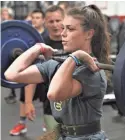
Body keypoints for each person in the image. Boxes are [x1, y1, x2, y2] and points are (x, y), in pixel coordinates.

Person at [5, 4, 110, 140]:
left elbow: (54, 94)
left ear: (89, 34)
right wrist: (37, 48)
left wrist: (76, 57)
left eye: (70, 29)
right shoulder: (56, 64)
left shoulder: (92, 71)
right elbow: (11, 75)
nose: (63, 33)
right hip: (64, 135)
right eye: (63, 28)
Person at [8, 5, 65, 136]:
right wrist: (28, 102)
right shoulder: (40, 45)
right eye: (51, 21)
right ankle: (23, 123)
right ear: (46, 22)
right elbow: (31, 75)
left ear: (64, 20)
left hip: (74, 101)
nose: (55, 25)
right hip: (51, 103)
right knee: (54, 136)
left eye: (58, 20)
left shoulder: (72, 40)